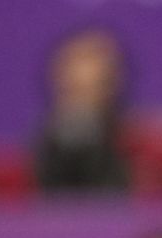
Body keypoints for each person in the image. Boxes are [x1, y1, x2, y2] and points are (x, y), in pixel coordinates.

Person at [33, 27, 132, 194]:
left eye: (86, 89)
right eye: (72, 88)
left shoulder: (133, 145)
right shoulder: (43, 144)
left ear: (111, 85)